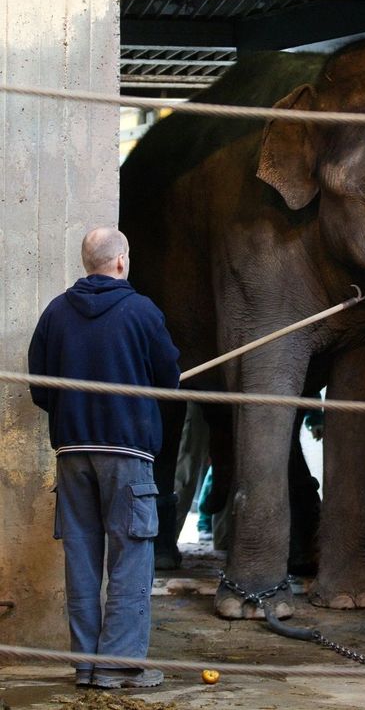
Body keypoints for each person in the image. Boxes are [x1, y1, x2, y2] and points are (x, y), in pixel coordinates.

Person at [28, 227, 180, 689]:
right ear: (121, 261)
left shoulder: (55, 313)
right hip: (127, 453)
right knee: (130, 559)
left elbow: (41, 389)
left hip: (72, 454)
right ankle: (118, 667)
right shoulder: (142, 312)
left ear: (87, 262)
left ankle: (87, 666)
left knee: (82, 561)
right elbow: (168, 381)